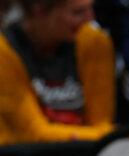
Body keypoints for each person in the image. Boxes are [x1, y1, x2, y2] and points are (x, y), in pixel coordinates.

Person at [0, 0, 115, 144]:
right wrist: (109, 136)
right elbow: (32, 133)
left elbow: (102, 122)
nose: (90, 19)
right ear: (39, 10)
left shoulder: (94, 42)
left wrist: (107, 136)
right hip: (24, 153)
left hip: (88, 150)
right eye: (77, 12)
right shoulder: (4, 52)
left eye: (91, 9)